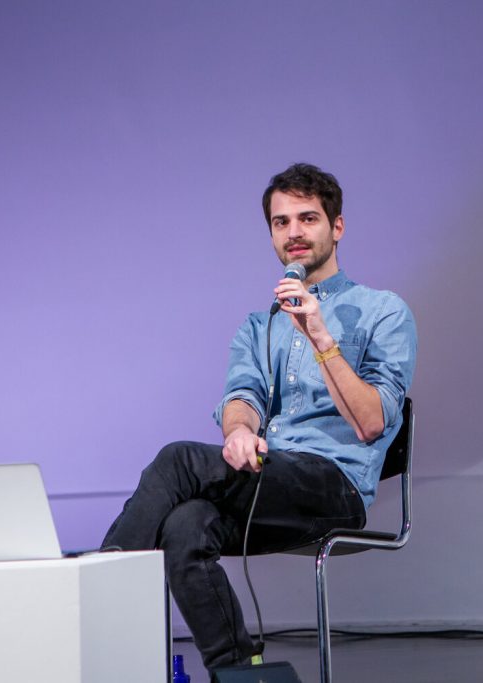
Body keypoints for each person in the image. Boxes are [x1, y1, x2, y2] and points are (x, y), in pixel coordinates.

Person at [101, 163, 417, 675]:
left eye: (307, 219)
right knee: (186, 525)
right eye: (280, 222)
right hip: (273, 478)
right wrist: (240, 430)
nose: (293, 233)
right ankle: (240, 670)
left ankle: (96, 594)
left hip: (334, 485)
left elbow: (371, 423)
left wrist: (318, 333)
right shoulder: (258, 324)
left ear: (336, 227)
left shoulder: (383, 311)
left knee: (178, 460)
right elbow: (240, 397)